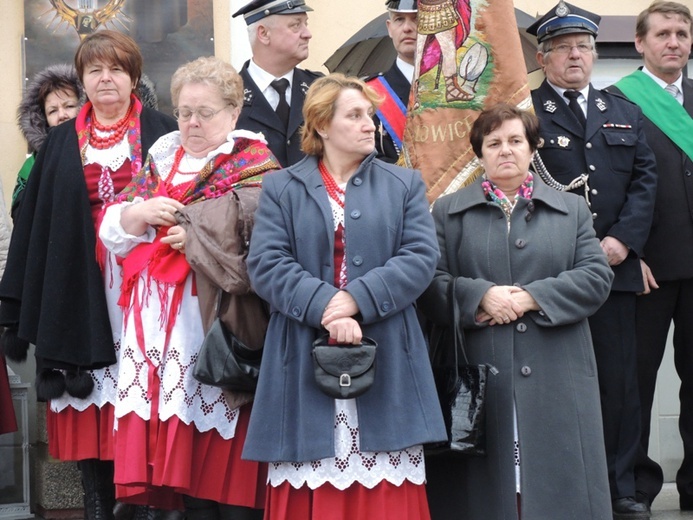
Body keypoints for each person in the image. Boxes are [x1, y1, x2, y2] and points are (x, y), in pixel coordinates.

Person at [244, 73, 446, 519]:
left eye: (369, 115)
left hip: (388, 346)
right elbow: (266, 263)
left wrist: (355, 300)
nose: (368, 124)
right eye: (355, 115)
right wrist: (325, 308)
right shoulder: (281, 187)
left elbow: (419, 257)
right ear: (321, 125)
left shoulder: (404, 184)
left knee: (384, 488)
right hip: (300, 349)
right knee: (311, 474)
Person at [0, 30, 177, 520]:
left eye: (116, 69)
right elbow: (35, 224)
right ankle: (99, 509)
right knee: (94, 408)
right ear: (82, 79)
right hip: (79, 288)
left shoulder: (164, 132)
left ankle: (149, 508)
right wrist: (18, 302)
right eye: (95, 70)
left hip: (149, 291)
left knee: (150, 402)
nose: (106, 79)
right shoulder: (58, 143)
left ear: (134, 78)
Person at [99, 55, 280, 518]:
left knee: (217, 439)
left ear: (234, 113)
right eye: (184, 112)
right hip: (155, 318)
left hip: (211, 315)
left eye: (205, 112)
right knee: (176, 450)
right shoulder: (164, 154)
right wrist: (138, 214)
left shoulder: (252, 158)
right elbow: (115, 224)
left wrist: (195, 231)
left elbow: (269, 223)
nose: (192, 122)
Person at [419, 103, 614, 519]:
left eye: (514, 141)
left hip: (557, 369)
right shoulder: (447, 213)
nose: (505, 150)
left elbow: (596, 279)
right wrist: (479, 296)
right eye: (493, 143)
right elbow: (429, 287)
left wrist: (530, 297)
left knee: (557, 484)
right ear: (479, 153)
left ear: (532, 148)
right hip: (480, 368)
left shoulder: (572, 209)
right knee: (484, 490)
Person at [527, 2, 658, 518]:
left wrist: (624, 242)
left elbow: (645, 182)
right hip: (551, 271)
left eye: (583, 47)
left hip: (614, 271)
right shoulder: (527, 113)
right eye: (563, 49)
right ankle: (558, 484)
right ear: (543, 58)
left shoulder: (623, 111)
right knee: (556, 383)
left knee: (620, 383)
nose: (575, 55)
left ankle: (618, 487)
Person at [608, 1, 693, 512]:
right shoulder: (619, 101)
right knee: (635, 382)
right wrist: (629, 252)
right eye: (662, 33)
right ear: (639, 44)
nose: (674, 42)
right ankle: (636, 486)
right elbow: (613, 187)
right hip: (649, 268)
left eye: (682, 33)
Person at [232, 0, 322, 167]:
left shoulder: (320, 88)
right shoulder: (228, 97)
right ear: (264, 34)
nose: (307, 33)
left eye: (306, 24)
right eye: (296, 25)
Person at [12, 64, 81, 221]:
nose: (62, 115)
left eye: (69, 106)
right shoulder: (33, 165)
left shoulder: (104, 152)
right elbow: (21, 217)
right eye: (52, 111)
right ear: (44, 119)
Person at [367, 0, 417, 163]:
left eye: (417, 18)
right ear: (389, 28)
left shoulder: (457, 88)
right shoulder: (369, 94)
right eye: (399, 19)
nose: (407, 28)